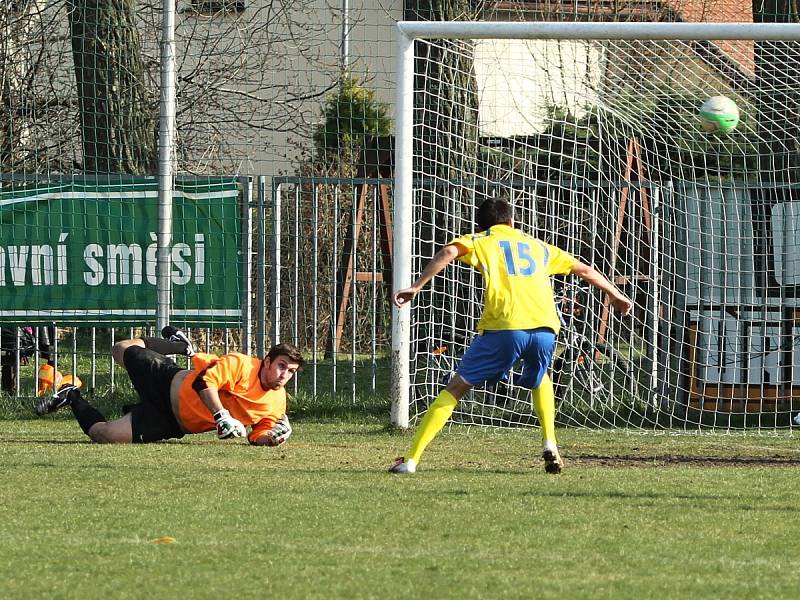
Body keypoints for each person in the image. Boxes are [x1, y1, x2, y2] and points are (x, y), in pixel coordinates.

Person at [388, 197, 633, 475]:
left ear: (481, 225)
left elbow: (447, 252)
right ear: (512, 221)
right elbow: (585, 270)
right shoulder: (537, 245)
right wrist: (616, 295)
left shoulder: (481, 240)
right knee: (541, 378)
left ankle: (410, 460)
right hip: (545, 328)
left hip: (505, 326)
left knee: (456, 388)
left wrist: (417, 286)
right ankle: (550, 441)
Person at [34, 326, 304, 446]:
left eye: (291, 371)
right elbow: (204, 382)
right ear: (267, 361)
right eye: (281, 366)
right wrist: (222, 416)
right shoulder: (243, 364)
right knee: (119, 348)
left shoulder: (277, 403)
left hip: (171, 422)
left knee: (103, 436)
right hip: (165, 379)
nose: (284, 375)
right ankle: (178, 347)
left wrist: (272, 439)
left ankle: (71, 395)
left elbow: (257, 434)